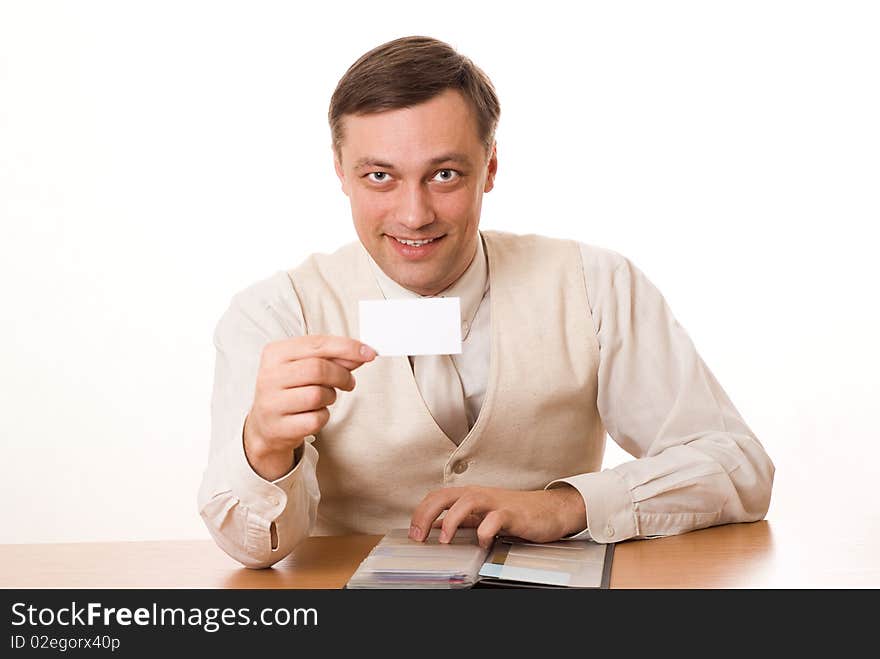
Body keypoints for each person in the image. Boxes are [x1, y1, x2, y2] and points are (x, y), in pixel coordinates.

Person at [198, 35, 775, 569]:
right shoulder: (275, 314)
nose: (413, 214)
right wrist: (263, 448)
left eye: (444, 174)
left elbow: (738, 466)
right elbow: (250, 550)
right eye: (380, 176)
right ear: (340, 173)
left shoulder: (596, 284)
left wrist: (569, 505)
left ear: (490, 168)